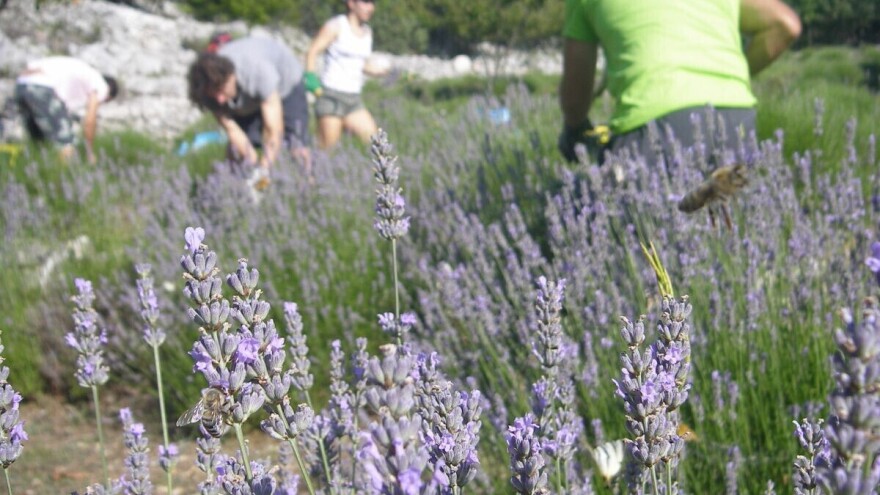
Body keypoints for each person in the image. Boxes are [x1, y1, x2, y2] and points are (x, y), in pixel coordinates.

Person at [558, 0, 802, 166]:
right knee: (730, 230)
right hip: (736, 117)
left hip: (657, 125)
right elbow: (785, 25)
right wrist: (728, 75)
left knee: (643, 237)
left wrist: (575, 130)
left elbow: (574, 98)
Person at [187, 35, 312, 180]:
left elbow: (273, 131)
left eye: (221, 91)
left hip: (286, 85)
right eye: (214, 95)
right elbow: (233, 131)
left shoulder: (256, 72)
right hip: (247, 92)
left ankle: (308, 185)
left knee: (296, 144)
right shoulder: (210, 91)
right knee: (236, 154)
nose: (220, 100)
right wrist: (252, 167)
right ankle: (233, 190)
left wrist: (263, 172)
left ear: (230, 77)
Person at [304, 0, 389, 150]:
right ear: (351, 3)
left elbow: (361, 64)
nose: (370, 8)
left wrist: (378, 71)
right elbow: (313, 51)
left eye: (372, 3)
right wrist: (311, 79)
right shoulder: (336, 26)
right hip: (331, 96)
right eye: (365, 2)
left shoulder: (367, 32)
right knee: (326, 153)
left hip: (353, 100)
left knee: (378, 146)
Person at [14, 56, 118, 163]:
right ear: (108, 96)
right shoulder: (101, 86)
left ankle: (38, 169)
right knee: (66, 140)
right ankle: (60, 175)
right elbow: (90, 121)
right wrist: (89, 152)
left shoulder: (82, 75)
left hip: (21, 85)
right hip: (41, 88)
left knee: (39, 140)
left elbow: (61, 109)